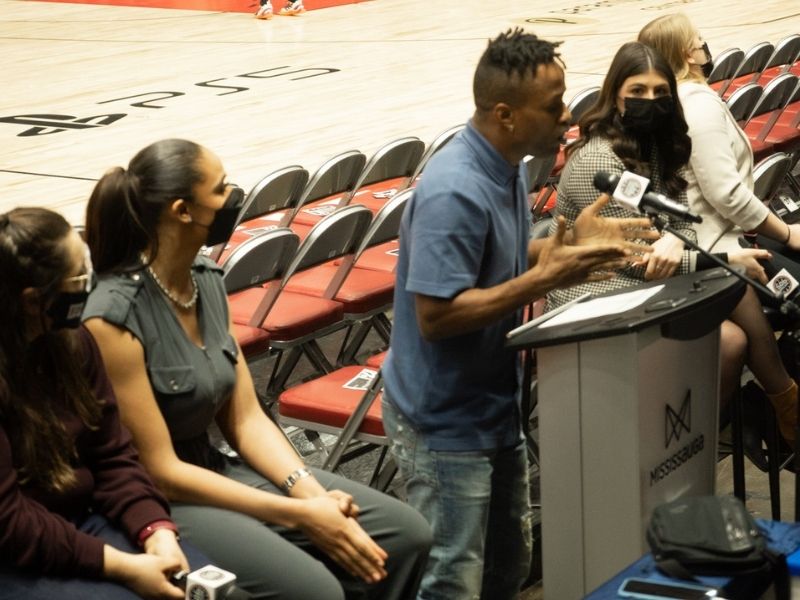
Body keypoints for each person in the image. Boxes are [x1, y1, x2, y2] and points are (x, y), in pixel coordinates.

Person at [81, 138, 432, 600]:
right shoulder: (112, 318)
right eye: (221, 188)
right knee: (315, 590)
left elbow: (245, 418)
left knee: (406, 536)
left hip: (216, 468)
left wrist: (306, 492)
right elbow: (161, 471)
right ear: (183, 211)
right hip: (163, 499)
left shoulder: (204, 279)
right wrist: (300, 514)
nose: (233, 198)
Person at [381, 28, 661, 600]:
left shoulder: (508, 163)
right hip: (443, 423)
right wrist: (544, 277)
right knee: (452, 582)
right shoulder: (454, 188)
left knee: (508, 566)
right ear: (506, 114)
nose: (567, 114)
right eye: (553, 105)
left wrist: (559, 247)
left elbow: (495, 259)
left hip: (492, 405)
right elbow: (437, 315)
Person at [546, 40, 797, 452]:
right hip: (598, 296)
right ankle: (709, 432)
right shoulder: (599, 160)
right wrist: (723, 257)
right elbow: (635, 260)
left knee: (732, 311)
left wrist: (693, 250)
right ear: (616, 97)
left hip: (647, 284)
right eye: (638, 92)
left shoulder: (658, 148)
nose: (651, 101)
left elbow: (682, 227)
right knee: (731, 296)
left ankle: (698, 439)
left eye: (661, 92)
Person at [0, 207, 207, 600]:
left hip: (81, 523)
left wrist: (155, 530)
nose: (90, 285)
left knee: (207, 587)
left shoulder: (73, 342)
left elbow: (113, 455)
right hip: (14, 549)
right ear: (32, 301)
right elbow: (9, 522)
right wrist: (124, 567)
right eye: (80, 277)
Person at [638, 14, 799, 449]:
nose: (704, 45)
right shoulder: (696, 104)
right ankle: (781, 407)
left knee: (753, 311)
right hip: (710, 243)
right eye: (698, 39)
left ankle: (774, 409)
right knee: (767, 292)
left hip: (710, 239)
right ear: (688, 53)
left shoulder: (673, 104)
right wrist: (786, 233)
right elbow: (726, 194)